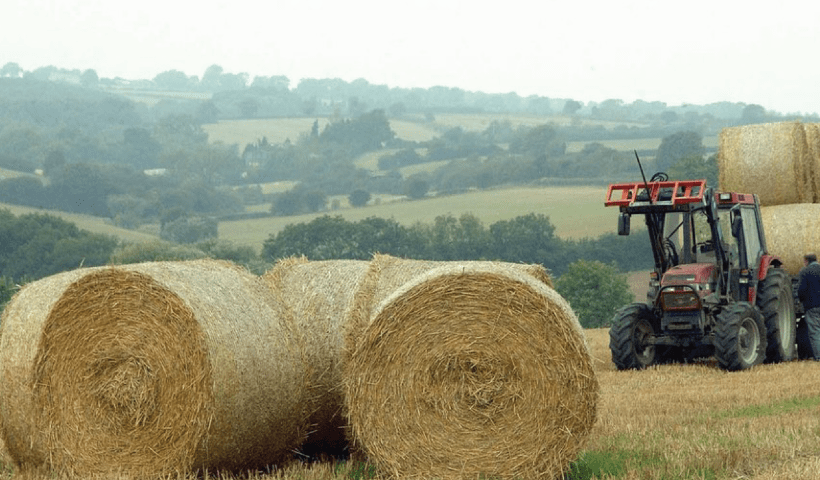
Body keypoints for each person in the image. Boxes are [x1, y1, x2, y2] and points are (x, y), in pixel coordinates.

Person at [797, 253, 820, 360]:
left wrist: (801, 301)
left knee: (815, 331)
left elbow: (801, 290)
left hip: (812, 306)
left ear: (806, 261)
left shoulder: (804, 272)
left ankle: (819, 357)